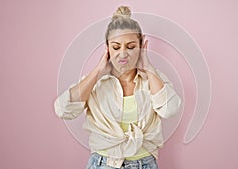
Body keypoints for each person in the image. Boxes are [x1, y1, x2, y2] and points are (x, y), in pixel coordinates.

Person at [54, 6, 181, 169]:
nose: (123, 54)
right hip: (103, 164)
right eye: (116, 47)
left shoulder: (153, 79)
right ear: (107, 48)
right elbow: (62, 109)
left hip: (145, 164)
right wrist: (98, 71)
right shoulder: (95, 83)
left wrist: (148, 67)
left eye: (130, 46)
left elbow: (170, 110)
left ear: (142, 46)